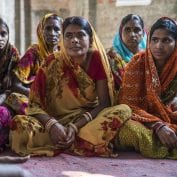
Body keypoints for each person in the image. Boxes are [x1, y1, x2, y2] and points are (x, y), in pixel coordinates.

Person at [10, 16, 132, 157]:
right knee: (19, 124)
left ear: (90, 39)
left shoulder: (96, 59)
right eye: (69, 36)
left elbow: (104, 103)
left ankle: (69, 138)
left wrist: (75, 127)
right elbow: (34, 103)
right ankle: (78, 140)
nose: (74, 40)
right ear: (63, 39)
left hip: (86, 119)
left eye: (80, 35)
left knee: (123, 110)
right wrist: (52, 125)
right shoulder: (52, 62)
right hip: (55, 119)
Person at [117, 17, 177, 159]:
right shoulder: (137, 63)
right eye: (154, 40)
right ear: (148, 40)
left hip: (170, 116)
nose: (158, 46)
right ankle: (166, 144)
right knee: (128, 129)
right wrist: (157, 126)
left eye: (166, 40)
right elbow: (128, 105)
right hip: (142, 120)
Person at [14, 13, 63, 96]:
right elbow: (16, 84)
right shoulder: (33, 53)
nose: (52, 33)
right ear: (41, 31)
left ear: (62, 32)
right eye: (48, 29)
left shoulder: (64, 54)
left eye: (56, 29)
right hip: (34, 96)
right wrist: (35, 96)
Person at [107, 14, 147, 89]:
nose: (132, 34)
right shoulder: (111, 56)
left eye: (137, 30)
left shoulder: (149, 56)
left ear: (143, 33)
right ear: (120, 32)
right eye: (127, 29)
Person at [0, 17, 20, 150]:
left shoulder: (13, 55)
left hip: (6, 99)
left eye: (3, 34)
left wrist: (1, 98)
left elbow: (13, 86)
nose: (0, 38)